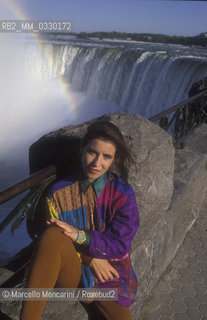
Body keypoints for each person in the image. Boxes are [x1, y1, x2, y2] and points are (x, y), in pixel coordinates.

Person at [20, 120, 139, 320]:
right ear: (82, 149)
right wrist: (90, 259)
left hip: (109, 275)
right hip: (74, 270)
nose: (96, 163)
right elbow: (54, 243)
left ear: (113, 160)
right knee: (54, 234)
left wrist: (80, 236)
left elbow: (119, 244)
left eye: (106, 157)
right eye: (92, 152)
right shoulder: (59, 192)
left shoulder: (123, 195)